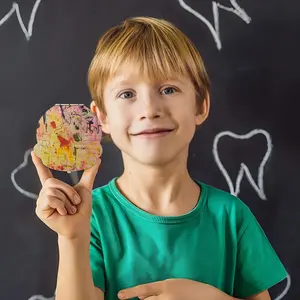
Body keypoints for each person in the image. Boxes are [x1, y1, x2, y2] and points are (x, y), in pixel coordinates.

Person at [31, 16, 287, 300]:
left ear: (200, 105)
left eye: (168, 90)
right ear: (101, 117)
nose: (150, 109)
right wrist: (72, 239)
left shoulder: (231, 217)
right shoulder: (91, 217)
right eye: (127, 93)